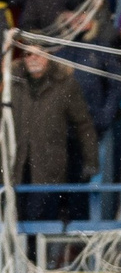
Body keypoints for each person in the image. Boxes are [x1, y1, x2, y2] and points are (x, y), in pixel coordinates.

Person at [9, 44, 96, 224]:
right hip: (14, 166)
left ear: (48, 56)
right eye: (28, 54)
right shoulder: (12, 81)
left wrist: (91, 160)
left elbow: (83, 123)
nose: (33, 58)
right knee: (14, 220)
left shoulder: (65, 84)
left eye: (39, 54)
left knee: (40, 222)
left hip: (48, 167)